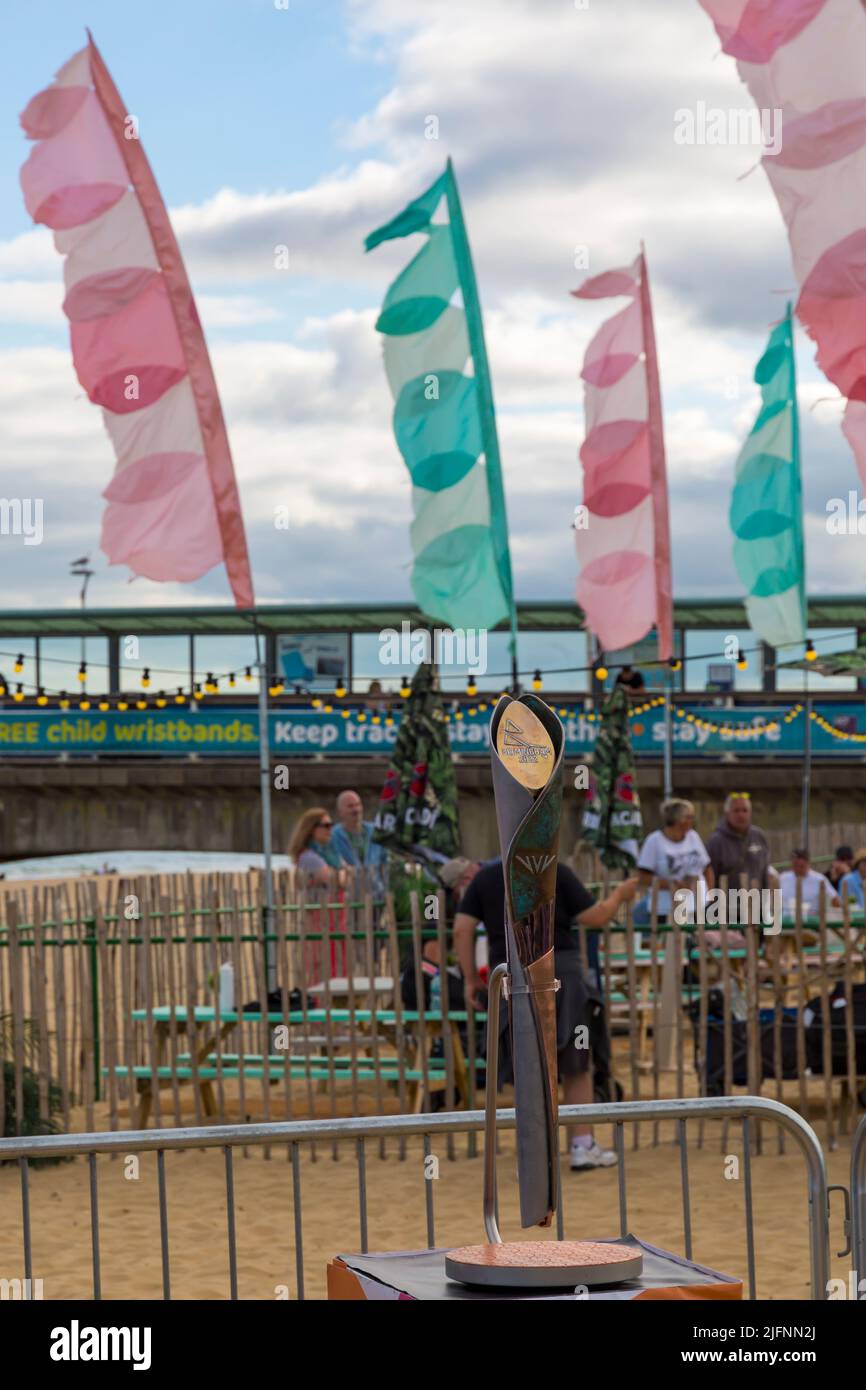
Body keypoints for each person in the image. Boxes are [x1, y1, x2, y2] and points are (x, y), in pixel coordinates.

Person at [453, 859, 638, 1171]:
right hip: (560, 971)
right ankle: (582, 1146)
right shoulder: (554, 869)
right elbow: (595, 917)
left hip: (512, 975)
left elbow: (462, 929)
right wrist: (620, 894)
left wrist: (471, 978)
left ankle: (534, 1150)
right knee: (576, 1062)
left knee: (528, 1065)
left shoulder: (485, 877)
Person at [636, 798, 713, 922]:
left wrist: (709, 895)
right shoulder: (654, 841)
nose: (692, 821)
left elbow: (707, 867)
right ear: (678, 819)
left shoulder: (693, 837)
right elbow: (643, 877)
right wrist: (673, 884)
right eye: (689, 817)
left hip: (697, 905)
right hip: (665, 908)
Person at [330, 789, 388, 889]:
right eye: (350, 806)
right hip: (349, 896)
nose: (356, 810)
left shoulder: (376, 832)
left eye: (358, 805)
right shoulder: (333, 836)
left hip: (378, 895)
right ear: (340, 812)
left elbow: (386, 861)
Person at [779, 848, 839, 917]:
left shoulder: (819, 879)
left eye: (801, 866)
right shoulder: (783, 878)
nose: (798, 869)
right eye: (795, 865)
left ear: (808, 864)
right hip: (786, 922)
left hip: (811, 923)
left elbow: (834, 899)